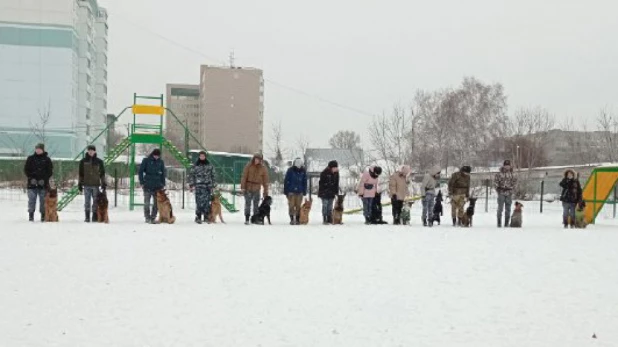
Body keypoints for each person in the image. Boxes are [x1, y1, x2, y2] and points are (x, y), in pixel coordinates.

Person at [24, 143, 53, 222]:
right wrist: (31, 178)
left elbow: (49, 172)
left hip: (43, 185)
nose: (38, 150)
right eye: (36, 149)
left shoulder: (47, 160)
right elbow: (26, 170)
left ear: (42, 150)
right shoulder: (30, 158)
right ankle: (31, 215)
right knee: (31, 200)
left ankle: (43, 216)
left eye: (39, 149)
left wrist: (44, 179)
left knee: (43, 201)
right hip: (31, 184)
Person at [78, 145, 106, 223]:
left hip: (96, 185)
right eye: (89, 150)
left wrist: (103, 183)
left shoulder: (99, 162)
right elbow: (80, 174)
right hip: (86, 185)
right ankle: (87, 217)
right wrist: (80, 184)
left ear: (95, 151)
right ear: (88, 151)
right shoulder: (83, 161)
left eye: (92, 150)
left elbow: (102, 174)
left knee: (95, 201)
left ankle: (94, 216)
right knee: (87, 201)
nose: (91, 151)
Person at [241, 152, 270, 225]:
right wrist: (243, 187)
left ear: (260, 160)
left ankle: (255, 218)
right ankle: (247, 218)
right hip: (248, 187)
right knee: (247, 204)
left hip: (257, 188)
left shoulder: (263, 168)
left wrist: (265, 191)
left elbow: (265, 181)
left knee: (256, 204)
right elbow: (244, 177)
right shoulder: (249, 166)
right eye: (255, 159)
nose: (256, 160)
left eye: (258, 159)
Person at [139, 148, 166, 224]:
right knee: (147, 203)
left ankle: (153, 217)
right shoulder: (146, 161)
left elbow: (163, 174)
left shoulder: (161, 162)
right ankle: (147, 217)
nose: (156, 157)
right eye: (155, 155)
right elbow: (140, 171)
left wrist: (163, 184)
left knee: (156, 204)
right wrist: (142, 182)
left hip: (157, 186)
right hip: (147, 184)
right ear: (152, 154)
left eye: (158, 156)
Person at [188, 151, 216, 224]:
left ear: (205, 157)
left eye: (203, 156)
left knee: (207, 203)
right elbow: (191, 175)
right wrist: (191, 185)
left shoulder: (209, 165)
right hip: (199, 186)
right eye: (201, 156)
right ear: (199, 156)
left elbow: (213, 175)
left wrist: (213, 185)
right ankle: (198, 217)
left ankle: (206, 217)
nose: (202, 157)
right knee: (199, 202)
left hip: (207, 186)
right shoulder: (195, 165)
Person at [284, 158, 308, 225]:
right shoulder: (290, 170)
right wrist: (286, 190)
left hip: (300, 191)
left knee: (298, 206)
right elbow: (286, 181)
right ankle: (292, 219)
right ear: (294, 163)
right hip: (291, 191)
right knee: (291, 205)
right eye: (297, 163)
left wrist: (304, 190)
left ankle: (297, 219)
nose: (298, 164)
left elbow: (304, 181)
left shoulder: (303, 171)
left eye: (299, 163)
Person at [494, 159, 517, 227]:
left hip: (509, 193)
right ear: (503, 166)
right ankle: (499, 222)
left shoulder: (512, 174)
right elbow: (495, 183)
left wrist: (512, 190)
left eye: (508, 165)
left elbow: (515, 183)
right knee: (500, 209)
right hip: (501, 193)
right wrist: (498, 189)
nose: (507, 167)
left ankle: (506, 223)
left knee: (508, 209)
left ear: (510, 166)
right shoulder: (499, 174)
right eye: (506, 165)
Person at [318, 160, 340, 224]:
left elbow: (336, 183)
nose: (335, 169)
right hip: (324, 192)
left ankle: (329, 217)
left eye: (336, 167)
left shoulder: (336, 173)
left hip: (332, 192)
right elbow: (321, 183)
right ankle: (324, 218)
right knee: (325, 205)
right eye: (334, 168)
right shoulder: (324, 173)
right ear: (330, 167)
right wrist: (326, 187)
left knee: (330, 206)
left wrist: (336, 192)